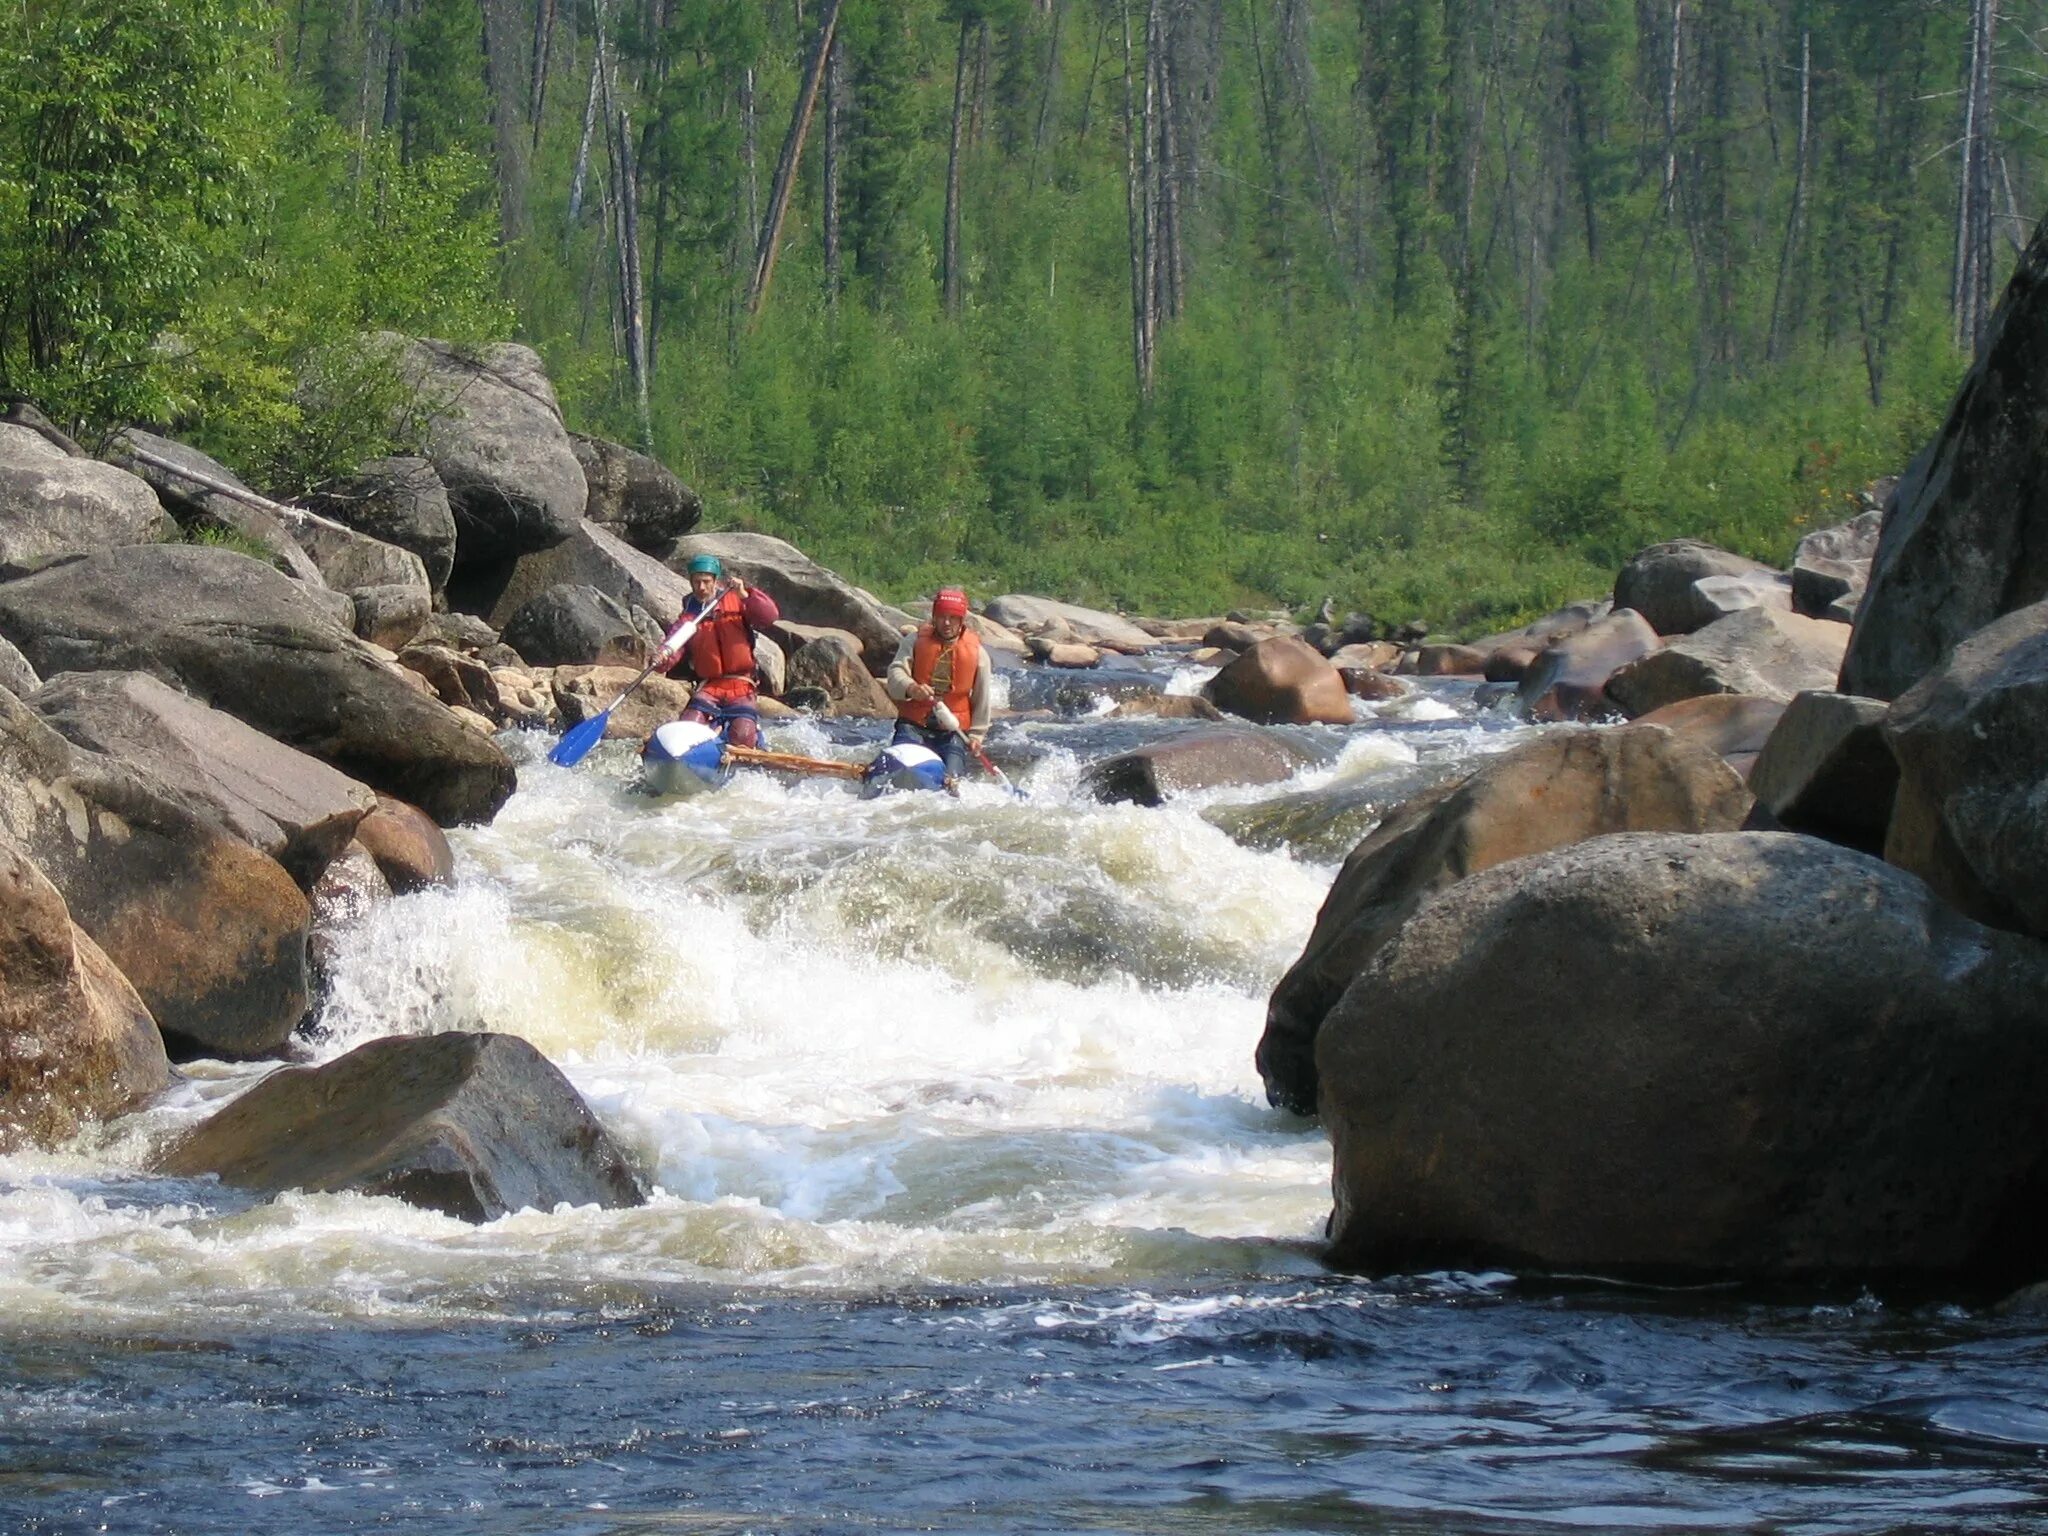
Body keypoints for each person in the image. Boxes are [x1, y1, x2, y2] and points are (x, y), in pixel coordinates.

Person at [656, 554, 780, 749]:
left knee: (743, 735)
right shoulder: (690, 615)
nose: (701, 587)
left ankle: (749, 747)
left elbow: (769, 616)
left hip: (741, 685)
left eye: (706, 581)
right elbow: (674, 644)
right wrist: (662, 657)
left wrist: (745, 594)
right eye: (696, 582)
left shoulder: (737, 602)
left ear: (716, 581)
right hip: (709, 687)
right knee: (688, 727)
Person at [882, 586, 993, 785]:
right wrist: (911, 687)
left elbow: (982, 698)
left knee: (952, 782)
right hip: (913, 726)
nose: (947, 623)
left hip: (953, 733)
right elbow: (895, 672)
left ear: (962, 621)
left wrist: (977, 736)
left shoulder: (979, 655)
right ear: (934, 617)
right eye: (941, 617)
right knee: (896, 770)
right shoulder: (914, 642)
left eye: (953, 617)